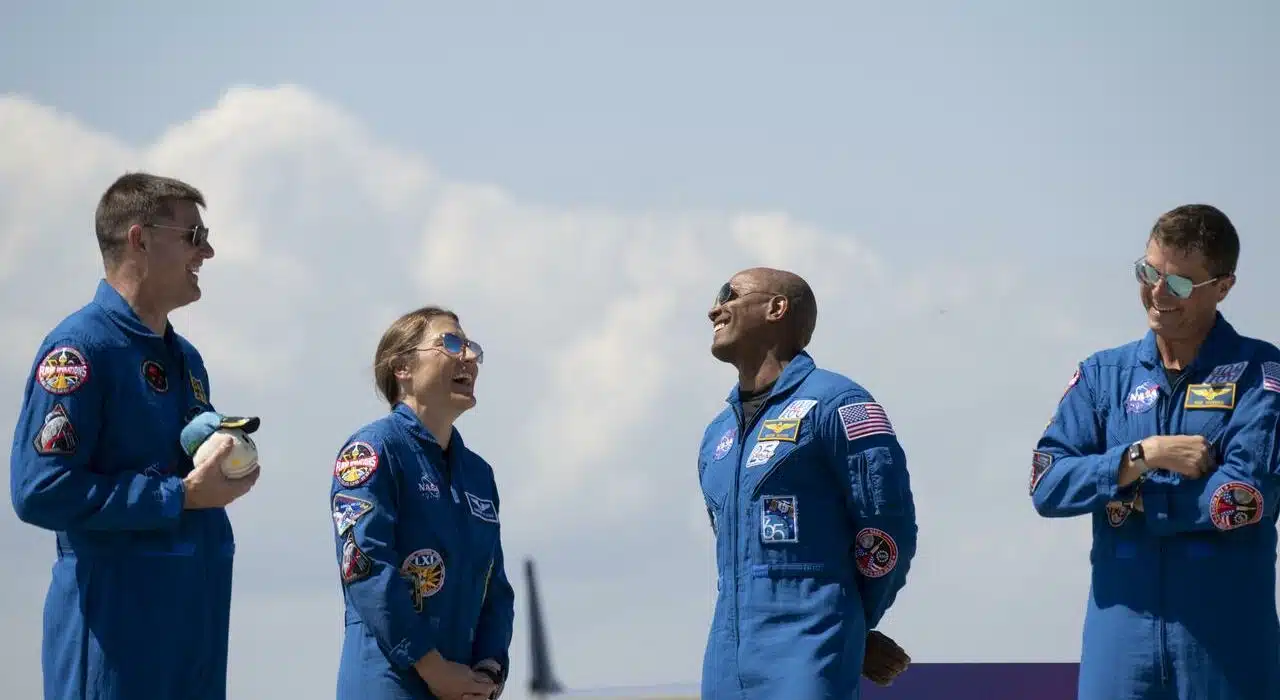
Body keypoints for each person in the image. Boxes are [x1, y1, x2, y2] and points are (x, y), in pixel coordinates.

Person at [8, 172, 262, 700]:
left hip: (191, 637)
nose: (208, 251)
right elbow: (40, 490)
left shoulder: (185, 358)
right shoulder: (79, 350)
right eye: (194, 236)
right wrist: (180, 496)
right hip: (115, 642)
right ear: (140, 239)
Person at [1031, 204, 1280, 700]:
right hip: (1121, 647)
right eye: (1149, 273)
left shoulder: (1260, 374)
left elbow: (1244, 498)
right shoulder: (1103, 374)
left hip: (1226, 649)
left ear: (1223, 287)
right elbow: (1048, 485)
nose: (1158, 293)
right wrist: (1141, 456)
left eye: (1181, 283)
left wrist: (1135, 497)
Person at [696, 267, 919, 699]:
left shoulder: (838, 403)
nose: (714, 309)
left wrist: (854, 623)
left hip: (808, 651)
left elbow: (886, 527)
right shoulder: (716, 436)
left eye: (729, 294)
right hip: (725, 662)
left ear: (776, 308)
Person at [332, 305, 515, 700]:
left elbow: (495, 588)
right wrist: (433, 669)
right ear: (402, 367)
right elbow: (365, 567)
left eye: (471, 347)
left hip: (463, 687)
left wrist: (488, 673)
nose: (469, 357)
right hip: (389, 683)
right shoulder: (373, 450)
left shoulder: (478, 475)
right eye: (451, 343)